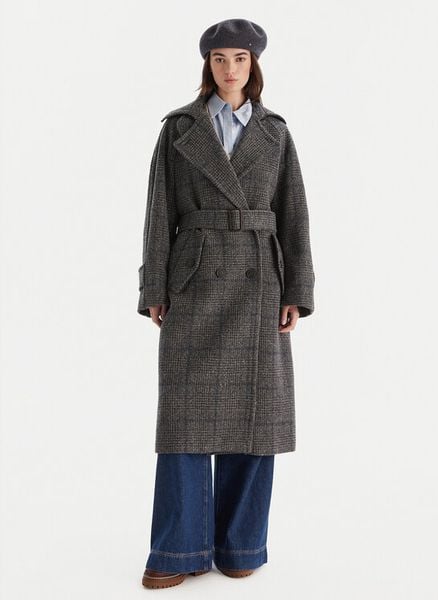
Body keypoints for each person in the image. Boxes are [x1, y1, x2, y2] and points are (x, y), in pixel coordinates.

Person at [137, 18, 315, 589]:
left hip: (259, 283)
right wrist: (154, 287)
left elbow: (293, 214)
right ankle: (178, 549)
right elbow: (159, 210)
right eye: (219, 59)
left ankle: (241, 543)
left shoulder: (275, 132)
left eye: (239, 58)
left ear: (253, 64)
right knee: (184, 420)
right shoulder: (179, 129)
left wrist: (298, 292)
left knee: (255, 419)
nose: (229, 69)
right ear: (207, 65)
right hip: (194, 279)